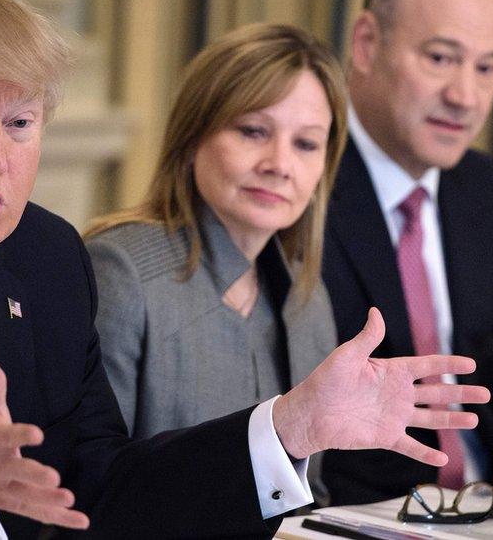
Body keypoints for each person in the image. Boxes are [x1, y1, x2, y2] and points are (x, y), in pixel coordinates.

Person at [0, 0, 491, 537]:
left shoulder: (46, 259)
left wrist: (290, 425)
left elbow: (103, 488)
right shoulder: (120, 270)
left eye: (19, 122)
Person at [321, 0, 493, 505]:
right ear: (366, 44)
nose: (465, 96)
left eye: (487, 67)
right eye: (440, 58)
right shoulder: (300, 187)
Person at [85, 24, 340, 446]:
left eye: (306, 144)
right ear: (191, 138)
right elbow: (95, 478)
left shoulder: (308, 298)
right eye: (253, 131)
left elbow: (311, 489)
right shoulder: (118, 271)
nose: (280, 164)